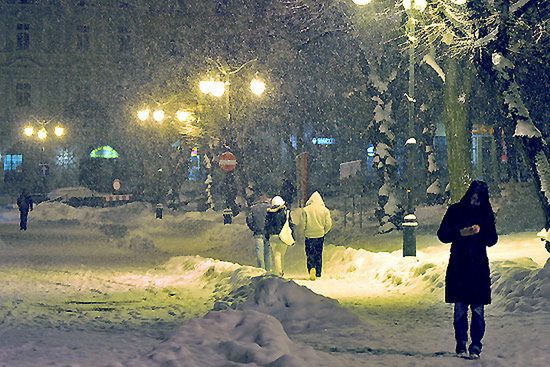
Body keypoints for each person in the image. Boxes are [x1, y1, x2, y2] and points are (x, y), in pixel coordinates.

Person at [437, 180, 498, 360]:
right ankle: (461, 343)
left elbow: (492, 239)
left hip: (477, 268)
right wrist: (460, 232)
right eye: (473, 197)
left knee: (477, 310)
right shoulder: (455, 211)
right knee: (461, 309)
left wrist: (481, 231)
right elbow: (443, 234)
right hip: (460, 266)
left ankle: (476, 345)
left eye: (478, 199)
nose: (475, 201)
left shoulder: (485, 214)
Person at [301, 191, 332, 281]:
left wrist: (304, 232)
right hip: (319, 235)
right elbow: (328, 224)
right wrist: (323, 231)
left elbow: (303, 224)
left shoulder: (306, 210)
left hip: (309, 235)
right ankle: (318, 272)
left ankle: (311, 268)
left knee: (310, 253)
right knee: (318, 253)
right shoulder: (325, 210)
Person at [264, 196, 293, 276]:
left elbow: (266, 226)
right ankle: (281, 271)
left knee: (276, 255)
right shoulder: (285, 212)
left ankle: (279, 271)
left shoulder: (269, 213)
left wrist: (267, 236)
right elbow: (290, 224)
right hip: (282, 236)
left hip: (273, 236)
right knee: (282, 255)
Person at [246, 195, 271, 270]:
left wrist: (254, 228)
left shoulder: (253, 208)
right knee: (267, 253)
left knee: (259, 253)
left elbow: (249, 220)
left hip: (258, 233)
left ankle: (261, 269)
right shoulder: (269, 208)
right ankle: (268, 269)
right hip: (267, 233)